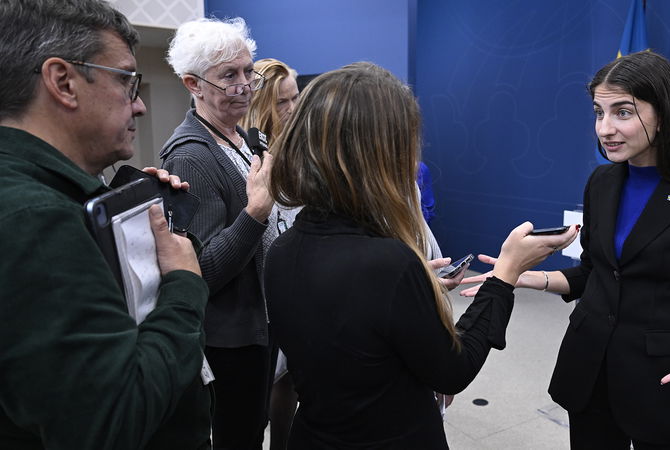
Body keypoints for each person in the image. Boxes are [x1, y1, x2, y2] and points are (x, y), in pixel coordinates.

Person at [264, 62, 579, 449]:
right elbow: (452, 370)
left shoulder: (282, 249)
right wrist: (505, 275)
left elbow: (349, 333)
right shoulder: (389, 264)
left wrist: (414, 287)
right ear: (382, 153)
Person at [461, 51, 670, 449]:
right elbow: (595, 272)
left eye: (622, 112)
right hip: (589, 368)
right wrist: (532, 277)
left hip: (666, 377)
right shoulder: (602, 181)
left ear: (664, 113)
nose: (605, 128)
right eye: (599, 113)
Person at [0, 1, 211, 449]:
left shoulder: (53, 195)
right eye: (126, 80)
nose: (138, 106)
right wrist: (184, 285)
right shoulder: (36, 219)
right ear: (63, 82)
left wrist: (134, 210)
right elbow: (111, 419)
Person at [160, 18, 275, 450]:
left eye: (249, 71)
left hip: (261, 320)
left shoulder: (241, 137)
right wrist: (256, 211)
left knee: (255, 424)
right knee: (240, 435)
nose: (245, 85)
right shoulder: (191, 156)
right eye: (229, 75)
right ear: (194, 84)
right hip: (232, 338)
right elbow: (202, 270)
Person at [239, 57, 301, 450]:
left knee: (290, 383)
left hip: (297, 290)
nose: (292, 109)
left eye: (295, 98)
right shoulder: (248, 157)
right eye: (282, 102)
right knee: (253, 407)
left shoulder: (296, 150)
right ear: (263, 105)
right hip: (259, 299)